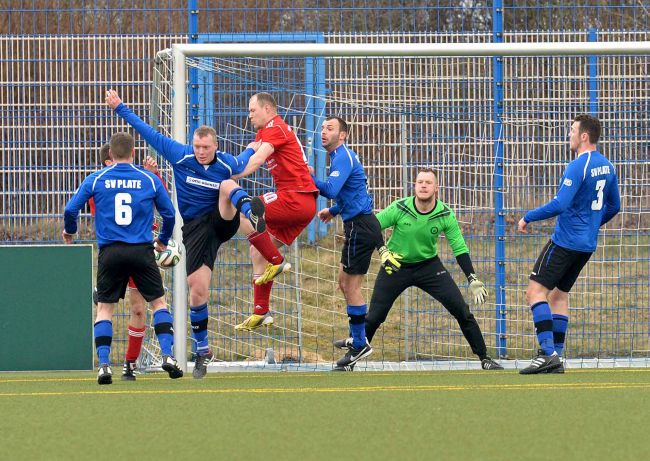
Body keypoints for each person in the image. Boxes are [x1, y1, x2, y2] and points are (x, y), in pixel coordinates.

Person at [105, 89, 290, 379]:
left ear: (215, 146)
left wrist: (253, 147)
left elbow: (244, 159)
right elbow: (146, 131)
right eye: (197, 146)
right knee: (197, 290)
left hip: (221, 219)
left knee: (227, 184)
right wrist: (120, 108)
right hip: (194, 229)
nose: (201, 151)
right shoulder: (180, 156)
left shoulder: (225, 163)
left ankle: (250, 210)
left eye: (206, 147)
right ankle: (203, 350)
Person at [334, 168, 503, 371]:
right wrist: (383, 250)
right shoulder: (400, 207)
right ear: (414, 186)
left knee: (462, 310)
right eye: (420, 182)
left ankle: (485, 358)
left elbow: (459, 248)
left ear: (436, 188)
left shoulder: (445, 214)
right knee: (375, 317)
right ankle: (351, 358)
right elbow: (372, 227)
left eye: (428, 182)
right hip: (395, 266)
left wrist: (471, 277)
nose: (423, 185)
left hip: (429, 267)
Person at [63, 132, 183, 384]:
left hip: (111, 252)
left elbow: (70, 209)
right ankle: (168, 356)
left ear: (111, 154)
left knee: (105, 308)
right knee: (159, 304)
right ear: (134, 152)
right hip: (141, 251)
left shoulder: (97, 179)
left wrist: (70, 231)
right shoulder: (147, 179)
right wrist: (162, 239)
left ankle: (105, 366)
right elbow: (170, 214)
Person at [518, 114, 620, 375]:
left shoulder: (578, 165)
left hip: (565, 241)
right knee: (559, 295)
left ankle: (547, 353)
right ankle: (558, 357)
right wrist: (592, 224)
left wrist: (528, 217)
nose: (569, 135)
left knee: (535, 292)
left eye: (572, 130)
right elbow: (614, 206)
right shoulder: (608, 166)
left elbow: (560, 204)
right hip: (586, 245)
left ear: (584, 136)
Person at [311, 116, 402, 370]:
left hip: (361, 227)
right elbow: (352, 192)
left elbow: (330, 189)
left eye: (330, 128)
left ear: (342, 135)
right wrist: (334, 210)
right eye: (322, 128)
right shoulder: (340, 157)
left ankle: (360, 343)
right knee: (344, 282)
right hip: (358, 225)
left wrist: (307, 177)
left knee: (351, 286)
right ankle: (357, 337)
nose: (323, 132)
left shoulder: (343, 156)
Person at [232, 93, 318, 331]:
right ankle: (261, 311)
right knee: (257, 251)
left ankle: (277, 261)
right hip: (300, 202)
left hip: (295, 198)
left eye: (253, 110)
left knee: (243, 210)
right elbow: (303, 165)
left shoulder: (275, 128)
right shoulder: (267, 132)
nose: (249, 115)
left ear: (268, 109)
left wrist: (232, 176)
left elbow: (258, 159)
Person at [90, 143, 168, 381]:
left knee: (138, 308)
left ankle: (130, 364)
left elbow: (159, 200)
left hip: (140, 251)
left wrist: (154, 176)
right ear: (108, 162)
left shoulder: (138, 179)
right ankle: (105, 363)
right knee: (107, 308)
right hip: (118, 251)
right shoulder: (100, 186)